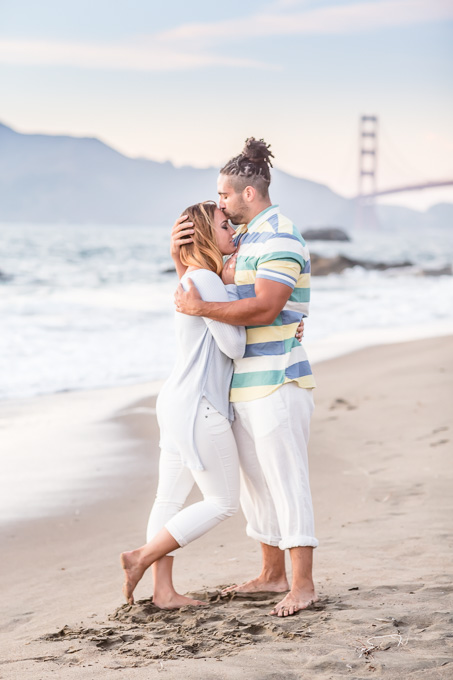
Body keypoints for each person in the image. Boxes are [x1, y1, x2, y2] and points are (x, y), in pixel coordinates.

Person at [173, 138, 318, 617]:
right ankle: (272, 575)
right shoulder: (250, 236)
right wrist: (182, 266)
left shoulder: (278, 235)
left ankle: (303, 584)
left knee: (286, 480)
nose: (220, 203)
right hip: (246, 383)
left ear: (248, 195)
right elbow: (225, 288)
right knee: (258, 485)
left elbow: (267, 305)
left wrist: (200, 306)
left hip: (278, 380)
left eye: (224, 196)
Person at [120, 201, 246, 608]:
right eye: (225, 225)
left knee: (169, 499)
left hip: (175, 401)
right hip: (199, 406)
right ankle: (141, 556)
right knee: (224, 501)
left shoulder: (194, 276)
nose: (233, 231)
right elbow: (234, 345)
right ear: (207, 236)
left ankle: (163, 591)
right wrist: (233, 295)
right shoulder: (207, 281)